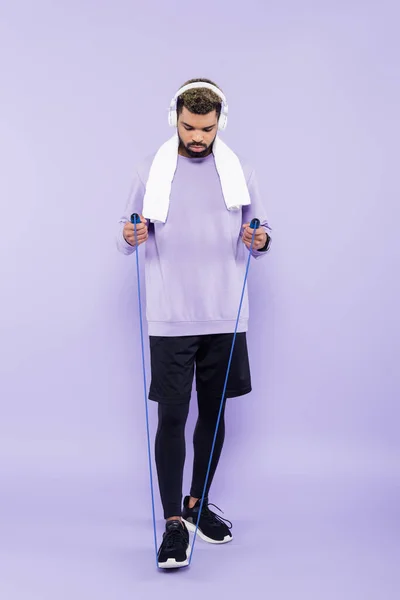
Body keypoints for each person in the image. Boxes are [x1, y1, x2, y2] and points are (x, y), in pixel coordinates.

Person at [116, 78, 271, 569]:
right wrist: (131, 233)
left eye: (206, 128)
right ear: (174, 120)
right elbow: (125, 235)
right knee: (172, 418)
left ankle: (197, 503)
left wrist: (259, 241)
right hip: (170, 316)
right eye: (189, 127)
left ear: (219, 123)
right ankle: (172, 526)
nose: (197, 137)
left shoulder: (240, 170)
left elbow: (261, 229)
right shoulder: (151, 169)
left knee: (214, 413)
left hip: (225, 314)